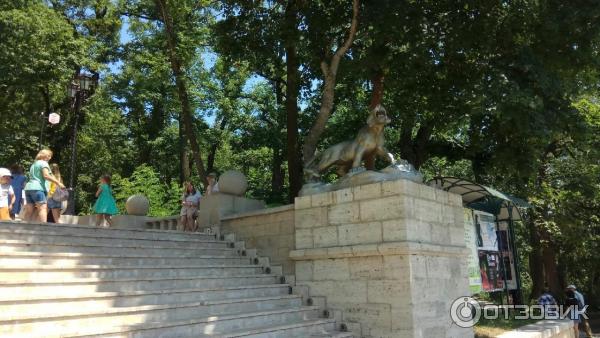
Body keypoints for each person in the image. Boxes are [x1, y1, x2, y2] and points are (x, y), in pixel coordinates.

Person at [23, 149, 65, 222]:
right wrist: (58, 183)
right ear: (45, 156)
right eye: (49, 156)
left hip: (29, 188)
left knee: (29, 210)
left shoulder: (34, 164)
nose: (50, 158)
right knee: (43, 209)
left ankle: (24, 227)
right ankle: (43, 227)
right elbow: (46, 175)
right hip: (38, 188)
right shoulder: (44, 163)